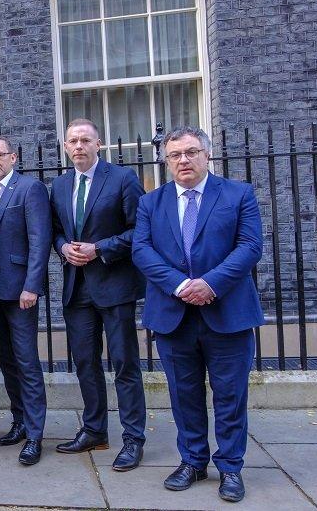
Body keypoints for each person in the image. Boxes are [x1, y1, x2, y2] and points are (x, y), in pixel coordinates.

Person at [132, 127, 263, 503]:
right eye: (175, 155)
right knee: (183, 394)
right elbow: (141, 251)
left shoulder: (238, 194)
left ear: (207, 155)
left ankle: (231, 468)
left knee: (230, 395)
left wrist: (210, 283)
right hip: (174, 315)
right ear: (166, 160)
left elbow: (250, 246)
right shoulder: (151, 203)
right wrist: (179, 285)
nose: (184, 160)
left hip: (228, 313)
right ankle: (192, 460)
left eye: (191, 152)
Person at [50, 118, 147, 472]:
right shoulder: (59, 185)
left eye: (85, 140)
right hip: (77, 290)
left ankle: (133, 439)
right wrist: (63, 248)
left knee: (124, 364)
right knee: (85, 364)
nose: (79, 146)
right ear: (65, 147)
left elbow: (140, 230)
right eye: (72, 141)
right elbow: (56, 231)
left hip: (114, 285)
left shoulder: (123, 179)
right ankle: (94, 431)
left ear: (99, 144)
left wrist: (99, 248)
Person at [0, 135, 52, 466]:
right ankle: (19, 421)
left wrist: (32, 286)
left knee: (26, 361)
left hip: (20, 290)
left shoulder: (28, 189)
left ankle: (35, 434)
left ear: (13, 158)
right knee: (5, 358)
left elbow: (40, 239)